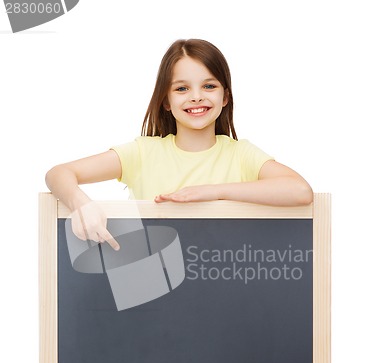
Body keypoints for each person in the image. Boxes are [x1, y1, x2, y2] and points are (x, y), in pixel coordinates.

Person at [45, 39, 313, 251]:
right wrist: (81, 203)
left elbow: (300, 191)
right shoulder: (143, 153)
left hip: (227, 286)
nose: (196, 97)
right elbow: (58, 173)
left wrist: (212, 192)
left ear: (225, 97)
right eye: (182, 89)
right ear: (166, 100)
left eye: (209, 86)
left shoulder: (240, 154)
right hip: (155, 297)